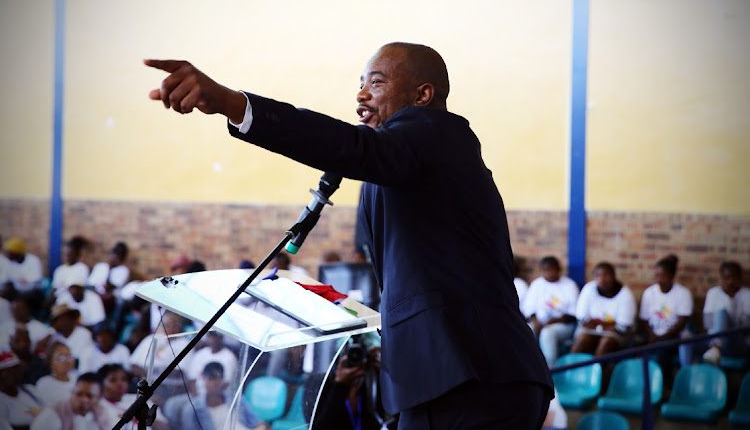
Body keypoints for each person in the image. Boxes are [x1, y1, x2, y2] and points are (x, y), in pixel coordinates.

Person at [145, 42, 553, 428]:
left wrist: (233, 104)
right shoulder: (402, 165)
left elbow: (349, 145)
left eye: (376, 83)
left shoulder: (437, 133)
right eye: (359, 83)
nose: (361, 95)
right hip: (444, 377)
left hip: (475, 377)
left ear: (423, 95)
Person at [638, 254, 693, 378]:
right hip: (653, 334)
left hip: (674, 336)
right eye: (657, 275)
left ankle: (665, 385)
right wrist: (653, 335)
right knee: (632, 345)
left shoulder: (683, 293)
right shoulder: (649, 293)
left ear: (672, 276)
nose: (659, 279)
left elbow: (681, 323)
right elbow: (644, 320)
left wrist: (659, 338)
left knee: (662, 349)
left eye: (663, 276)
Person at [521, 256, 579, 367]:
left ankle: (551, 371)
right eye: (546, 271)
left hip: (562, 325)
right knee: (527, 330)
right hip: (539, 322)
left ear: (558, 270)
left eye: (552, 270)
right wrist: (535, 321)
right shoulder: (537, 284)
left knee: (547, 334)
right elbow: (528, 308)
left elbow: (573, 315)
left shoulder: (570, 285)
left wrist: (553, 321)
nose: (549, 273)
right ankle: (527, 367)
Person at [570, 262, 636, 357]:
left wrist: (596, 323)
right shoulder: (589, 289)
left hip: (616, 335)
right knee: (582, 339)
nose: (601, 279)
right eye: (597, 276)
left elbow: (622, 327)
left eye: (606, 275)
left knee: (606, 342)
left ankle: (598, 371)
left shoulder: (625, 294)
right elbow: (582, 319)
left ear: (613, 276)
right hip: (589, 330)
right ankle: (571, 370)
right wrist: (609, 324)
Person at [180, 362, 264, 430]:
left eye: (218, 378)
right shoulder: (193, 408)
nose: (215, 382)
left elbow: (255, 421)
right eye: (211, 378)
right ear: (204, 379)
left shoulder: (235, 398)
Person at [701, 261, 750, 365]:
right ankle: (716, 348)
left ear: (740, 278)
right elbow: (707, 324)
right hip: (713, 340)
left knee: (721, 313)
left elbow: (745, 328)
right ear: (721, 278)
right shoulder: (713, 293)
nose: (730, 282)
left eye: (734, 278)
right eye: (726, 278)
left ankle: (716, 348)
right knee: (720, 313)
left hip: (738, 342)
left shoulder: (747, 295)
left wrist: (731, 300)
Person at [97, 363, 168, 430]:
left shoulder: (140, 399)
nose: (120, 384)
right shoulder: (96, 405)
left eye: (124, 379)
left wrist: (143, 416)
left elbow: (165, 428)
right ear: (101, 384)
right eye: (113, 380)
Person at [31, 372, 108, 430]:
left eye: (90, 396)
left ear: (99, 398)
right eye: (79, 394)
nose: (83, 400)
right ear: (72, 391)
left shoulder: (101, 412)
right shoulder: (53, 413)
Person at [0, 350, 45, 430]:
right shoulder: (2, 399)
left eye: (16, 369)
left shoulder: (30, 389)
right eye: (8, 370)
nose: (14, 373)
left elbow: (48, 412)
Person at [35, 341, 78, 406]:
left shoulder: (77, 378)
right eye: (61, 358)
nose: (68, 361)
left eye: (69, 356)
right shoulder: (44, 383)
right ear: (52, 364)